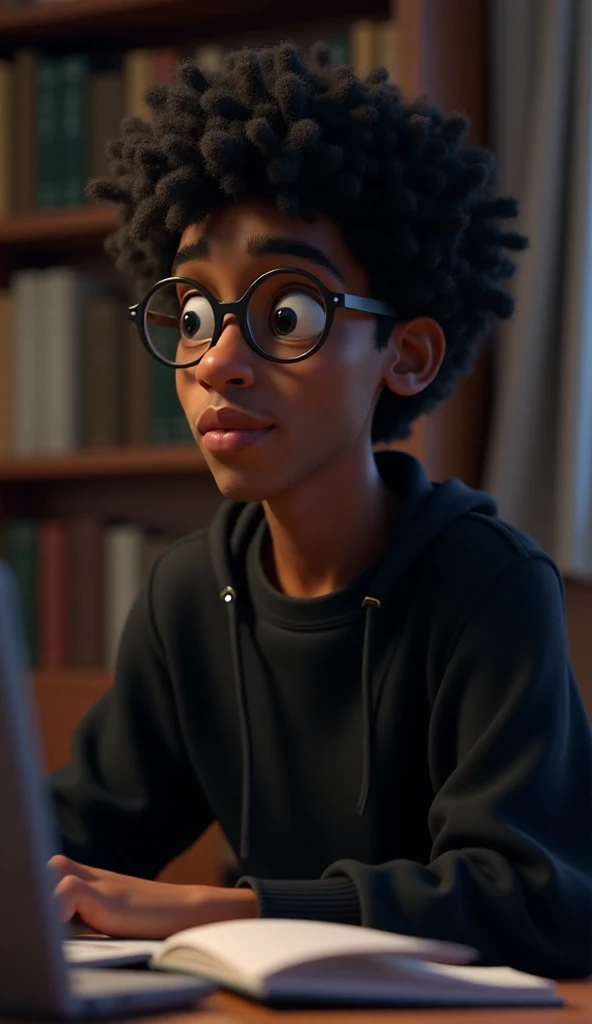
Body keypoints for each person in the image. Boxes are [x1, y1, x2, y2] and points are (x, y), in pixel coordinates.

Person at [48, 40, 592, 979]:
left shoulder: (488, 584)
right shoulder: (188, 593)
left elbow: (531, 897)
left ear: (407, 356)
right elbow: (77, 841)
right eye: (191, 313)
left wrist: (223, 908)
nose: (217, 359)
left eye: (285, 311)